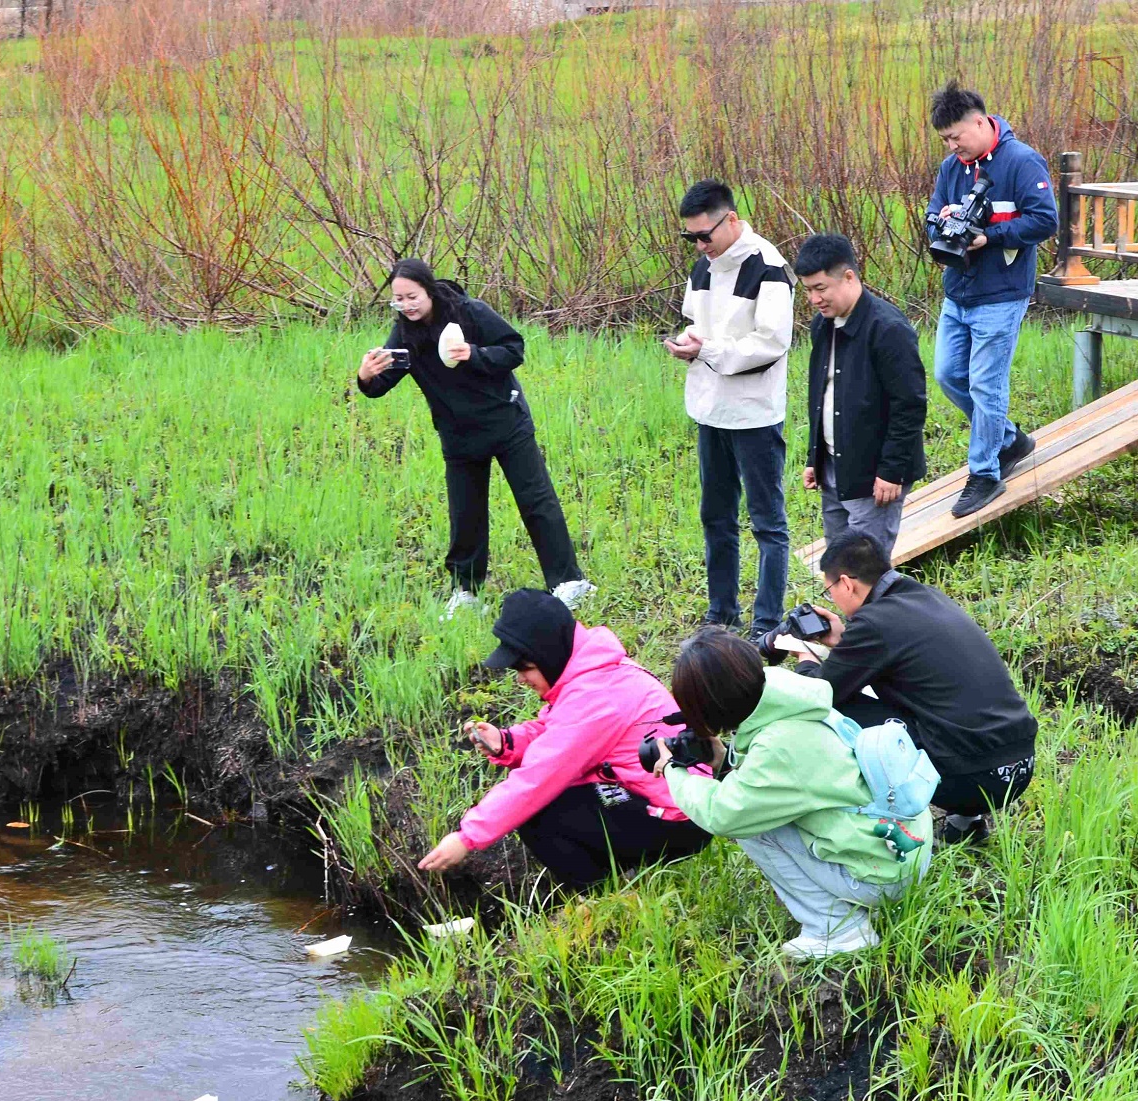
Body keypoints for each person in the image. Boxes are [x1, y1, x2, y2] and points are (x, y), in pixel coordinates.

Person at [651, 628, 932, 959]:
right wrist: (724, 759)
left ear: (712, 707)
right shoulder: (793, 701)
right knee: (757, 807)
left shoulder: (778, 747)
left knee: (754, 827)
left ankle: (839, 931)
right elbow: (782, 777)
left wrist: (673, 770)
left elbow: (723, 814)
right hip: (907, 846)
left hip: (885, 875)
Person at [417, 589, 710, 890]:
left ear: (548, 656)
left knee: (540, 810)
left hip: (681, 817)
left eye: (525, 668)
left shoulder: (595, 696)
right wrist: (507, 742)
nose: (520, 678)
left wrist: (466, 838)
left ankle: (604, 896)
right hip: (676, 800)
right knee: (561, 798)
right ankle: (620, 876)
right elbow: (556, 731)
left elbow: (537, 778)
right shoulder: (592, 674)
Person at [356, 260, 595, 621]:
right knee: (465, 514)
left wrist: (474, 354)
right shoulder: (404, 334)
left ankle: (569, 582)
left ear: (429, 290)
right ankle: (467, 591)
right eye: (398, 299)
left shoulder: (469, 312)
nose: (406, 305)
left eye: (412, 297)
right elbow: (380, 386)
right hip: (458, 434)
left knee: (536, 501)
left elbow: (514, 349)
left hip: (506, 422)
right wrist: (365, 377)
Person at [792, 532, 1038, 841]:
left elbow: (817, 694)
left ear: (846, 583)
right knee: (928, 699)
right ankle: (966, 824)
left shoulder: (874, 623)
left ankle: (878, 827)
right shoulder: (927, 596)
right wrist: (845, 639)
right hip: (1019, 766)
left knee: (836, 711)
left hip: (973, 780)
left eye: (830, 592)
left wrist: (805, 657)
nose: (834, 600)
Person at [665, 180, 795, 638]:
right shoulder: (704, 265)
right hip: (709, 408)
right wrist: (687, 344)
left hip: (755, 413)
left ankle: (767, 624)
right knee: (716, 517)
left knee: (767, 522)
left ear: (732, 220)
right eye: (691, 238)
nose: (699, 246)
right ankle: (721, 614)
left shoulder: (769, 267)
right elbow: (697, 323)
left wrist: (706, 350)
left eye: (705, 235)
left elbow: (772, 344)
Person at [926, 81, 1058, 518]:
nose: (952, 146)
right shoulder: (951, 168)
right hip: (958, 292)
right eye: (945, 140)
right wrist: (942, 224)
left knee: (986, 384)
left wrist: (992, 235)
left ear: (981, 123)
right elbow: (931, 215)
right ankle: (1009, 440)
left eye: (956, 137)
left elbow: (1045, 220)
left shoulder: (1021, 161)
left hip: (1001, 293)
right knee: (948, 375)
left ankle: (984, 474)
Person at [793, 233, 928, 557]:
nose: (814, 299)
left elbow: (910, 405)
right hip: (834, 465)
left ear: (849, 277)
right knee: (837, 563)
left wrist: (891, 471)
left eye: (820, 288)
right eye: (808, 290)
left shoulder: (887, 328)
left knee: (864, 569)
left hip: (874, 473)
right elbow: (822, 395)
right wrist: (815, 458)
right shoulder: (823, 325)